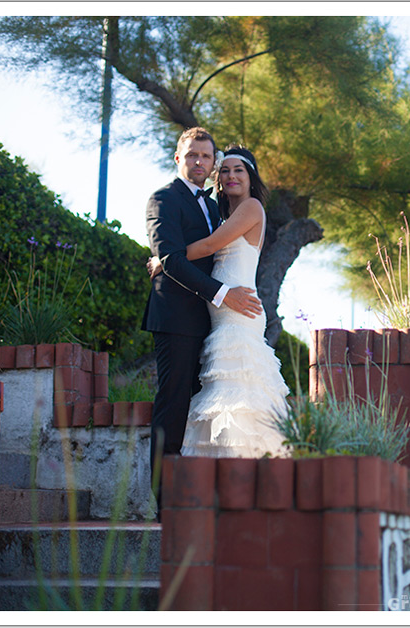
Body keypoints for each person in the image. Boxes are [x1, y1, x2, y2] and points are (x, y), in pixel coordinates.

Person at [142, 129, 264, 511]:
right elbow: (178, 258)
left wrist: (168, 261)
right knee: (174, 404)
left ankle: (220, 491)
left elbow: (210, 253)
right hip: (177, 318)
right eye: (192, 155)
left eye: (205, 157)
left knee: (213, 408)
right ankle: (165, 502)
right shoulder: (163, 199)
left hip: (214, 321)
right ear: (179, 158)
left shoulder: (216, 209)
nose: (200, 162)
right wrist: (168, 260)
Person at [148, 144, 290, 458]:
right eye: (225, 170)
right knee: (221, 398)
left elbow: (212, 245)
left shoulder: (252, 207)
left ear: (252, 177)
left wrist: (166, 259)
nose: (231, 176)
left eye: (239, 170)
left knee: (238, 399)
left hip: (239, 313)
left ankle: (246, 474)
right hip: (220, 316)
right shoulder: (221, 213)